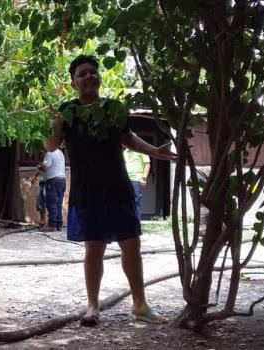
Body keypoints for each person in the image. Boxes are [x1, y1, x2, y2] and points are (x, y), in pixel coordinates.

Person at [47, 55, 176, 327]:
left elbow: (127, 139)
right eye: (82, 73)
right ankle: (92, 307)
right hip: (86, 191)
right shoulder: (67, 111)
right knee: (94, 250)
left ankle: (140, 304)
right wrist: (55, 126)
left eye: (93, 72)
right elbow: (50, 145)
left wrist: (155, 151)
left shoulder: (114, 109)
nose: (89, 76)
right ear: (73, 82)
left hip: (118, 187)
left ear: (100, 78)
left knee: (131, 246)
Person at [37, 140, 66, 231]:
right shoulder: (61, 153)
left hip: (52, 181)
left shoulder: (50, 153)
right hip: (62, 180)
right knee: (59, 204)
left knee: (51, 203)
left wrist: (39, 166)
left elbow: (45, 167)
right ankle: (59, 224)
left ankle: (52, 225)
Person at [124, 148, 151, 218]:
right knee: (126, 201)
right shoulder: (125, 152)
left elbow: (147, 164)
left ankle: (137, 224)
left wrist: (144, 178)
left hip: (137, 179)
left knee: (136, 202)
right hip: (126, 180)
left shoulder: (141, 150)